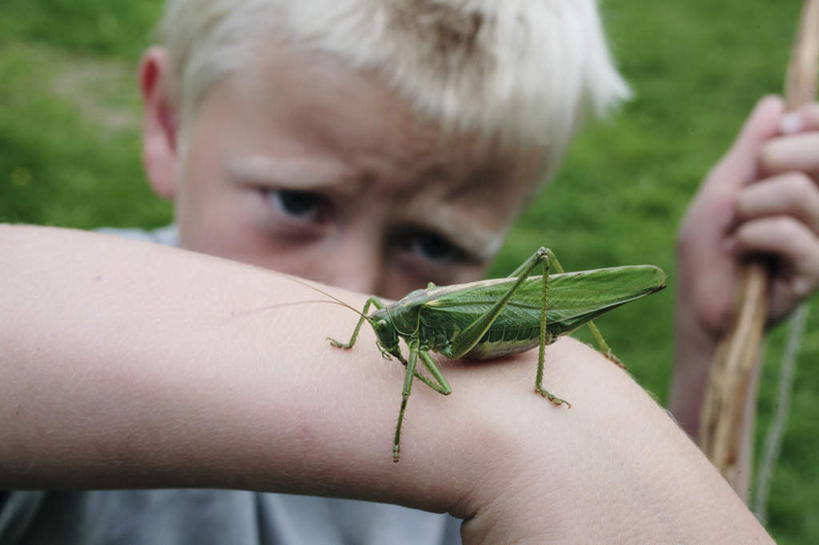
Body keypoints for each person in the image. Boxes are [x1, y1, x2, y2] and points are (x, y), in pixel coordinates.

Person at [3, 0, 819, 543]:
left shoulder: (449, 398)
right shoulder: (74, 328)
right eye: (297, 199)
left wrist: (704, 356)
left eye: (432, 242)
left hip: (484, 324)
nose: (361, 290)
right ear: (168, 123)